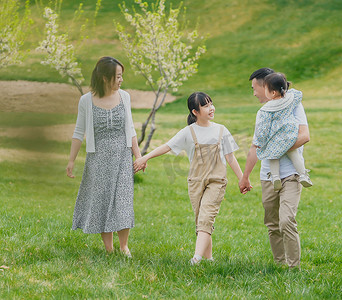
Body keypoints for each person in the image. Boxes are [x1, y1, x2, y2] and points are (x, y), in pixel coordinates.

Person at [133, 92, 245, 265]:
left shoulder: (222, 130)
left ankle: (196, 258)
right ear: (195, 112)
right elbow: (167, 146)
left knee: (206, 217)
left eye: (211, 104)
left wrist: (242, 179)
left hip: (217, 181)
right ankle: (209, 258)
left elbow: (231, 158)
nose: (211, 108)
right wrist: (145, 157)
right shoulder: (188, 132)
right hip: (195, 182)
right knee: (201, 219)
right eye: (206, 106)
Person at [66, 56, 145, 257]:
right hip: (98, 159)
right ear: (104, 78)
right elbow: (78, 132)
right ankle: (109, 249)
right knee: (102, 201)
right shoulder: (86, 100)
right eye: (117, 76)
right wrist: (71, 160)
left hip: (121, 157)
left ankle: (124, 246)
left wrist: (138, 156)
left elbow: (131, 128)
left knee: (123, 200)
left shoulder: (124, 97)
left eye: (121, 76)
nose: (121, 80)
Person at [239, 68, 310, 269]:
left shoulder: (294, 105)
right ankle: (280, 265)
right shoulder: (262, 114)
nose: (253, 93)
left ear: (267, 88)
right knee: (272, 223)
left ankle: (293, 267)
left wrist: (277, 147)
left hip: (291, 174)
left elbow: (305, 136)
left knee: (286, 220)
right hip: (268, 175)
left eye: (254, 88)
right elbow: (256, 146)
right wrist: (245, 176)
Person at [254, 72, 313, 191]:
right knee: (294, 154)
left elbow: (263, 129)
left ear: (273, 92)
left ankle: (275, 177)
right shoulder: (291, 99)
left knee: (272, 155)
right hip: (290, 133)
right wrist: (286, 91)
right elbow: (298, 94)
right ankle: (303, 174)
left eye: (266, 89)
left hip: (276, 137)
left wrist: (262, 141)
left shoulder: (266, 109)